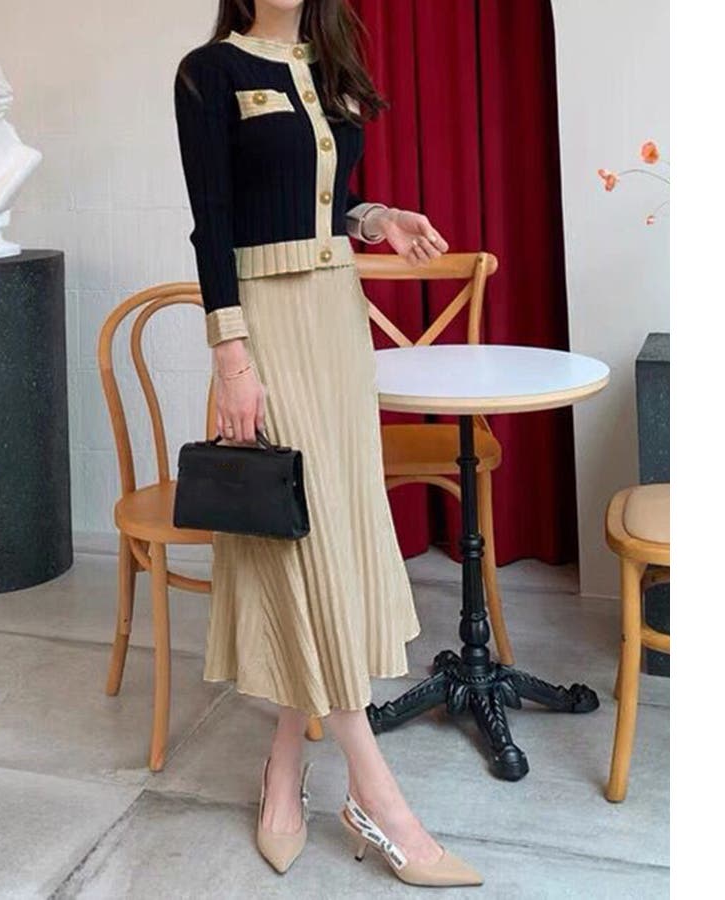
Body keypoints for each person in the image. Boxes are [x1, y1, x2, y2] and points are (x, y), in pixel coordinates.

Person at [173, 0, 482, 887]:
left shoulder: (325, 65)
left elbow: (325, 200)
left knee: (325, 537)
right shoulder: (209, 72)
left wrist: (376, 217)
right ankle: (377, 795)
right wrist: (232, 358)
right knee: (298, 540)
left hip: (337, 317)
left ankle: (283, 761)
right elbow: (213, 219)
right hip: (265, 324)